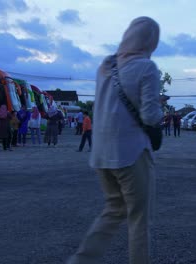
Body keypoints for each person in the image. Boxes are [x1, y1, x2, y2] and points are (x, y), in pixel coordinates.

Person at [67, 16, 162, 264]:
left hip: (101, 155)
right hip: (131, 154)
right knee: (139, 219)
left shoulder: (106, 67)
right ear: (151, 41)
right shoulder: (146, 67)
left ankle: (81, 260)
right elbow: (150, 116)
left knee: (114, 209)